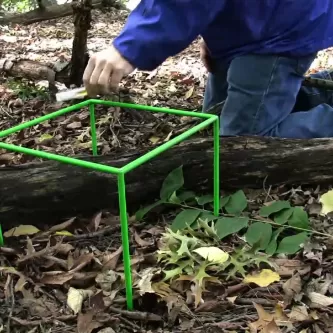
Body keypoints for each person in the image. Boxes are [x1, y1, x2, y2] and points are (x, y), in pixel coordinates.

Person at [83, 0, 333, 139]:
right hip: (245, 23)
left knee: (240, 139)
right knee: (211, 124)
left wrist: (131, 46)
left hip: (276, 27)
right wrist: (214, 32)